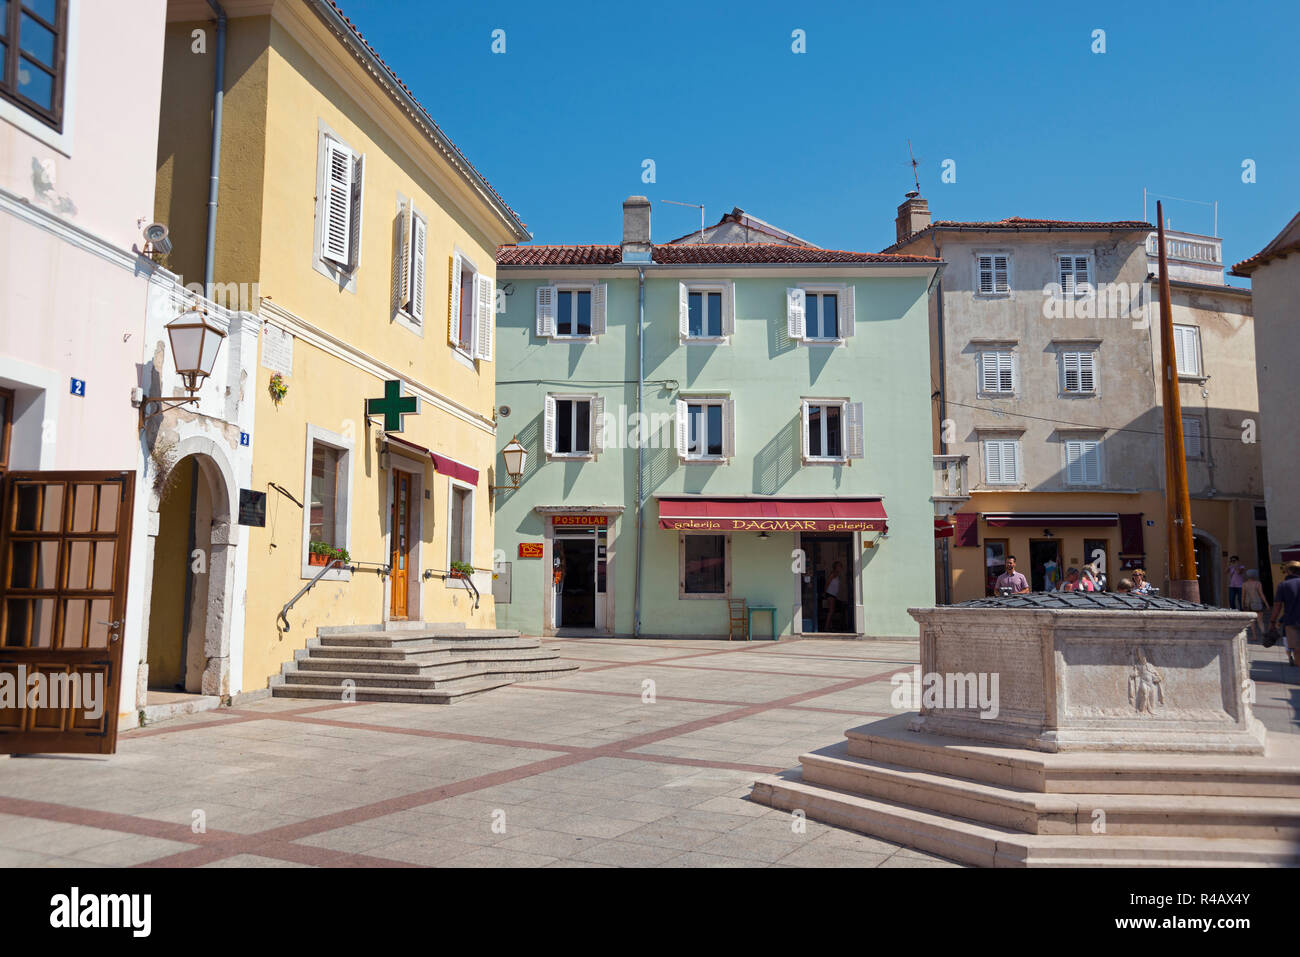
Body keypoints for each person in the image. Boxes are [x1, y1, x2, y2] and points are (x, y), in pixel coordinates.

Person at [1269, 561, 1300, 670]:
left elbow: (1277, 607)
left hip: (1291, 622)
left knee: (1297, 650)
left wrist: (1272, 621)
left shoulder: (1283, 585)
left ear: (1289, 571)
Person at [1242, 569, 1269, 643]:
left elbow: (1243, 596)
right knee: (1260, 621)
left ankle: (1254, 636)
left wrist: (1242, 604)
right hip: (1258, 604)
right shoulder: (1258, 583)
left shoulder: (1244, 584)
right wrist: (1266, 603)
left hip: (1249, 604)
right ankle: (1264, 634)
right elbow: (1261, 594)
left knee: (1252, 621)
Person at [823, 561, 844, 632]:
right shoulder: (833, 574)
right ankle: (826, 627)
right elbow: (827, 582)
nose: (840, 567)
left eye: (841, 566)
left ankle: (830, 626)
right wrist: (824, 592)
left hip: (833, 595)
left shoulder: (837, 574)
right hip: (830, 594)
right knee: (831, 611)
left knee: (831, 611)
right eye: (839, 566)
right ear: (835, 567)